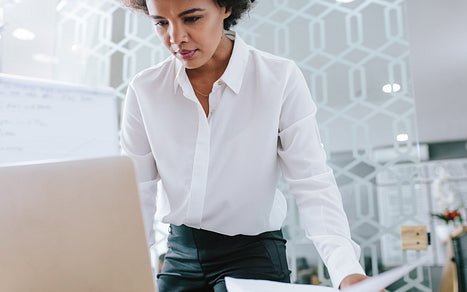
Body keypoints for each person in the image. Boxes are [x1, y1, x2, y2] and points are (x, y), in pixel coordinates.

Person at [119, 0, 371, 291]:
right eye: (161, 22)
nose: (176, 38)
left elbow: (311, 181)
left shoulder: (279, 78)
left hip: (253, 257)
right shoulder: (145, 89)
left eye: (192, 18)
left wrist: (347, 271)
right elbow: (138, 192)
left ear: (225, 7)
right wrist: (126, 272)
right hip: (180, 255)